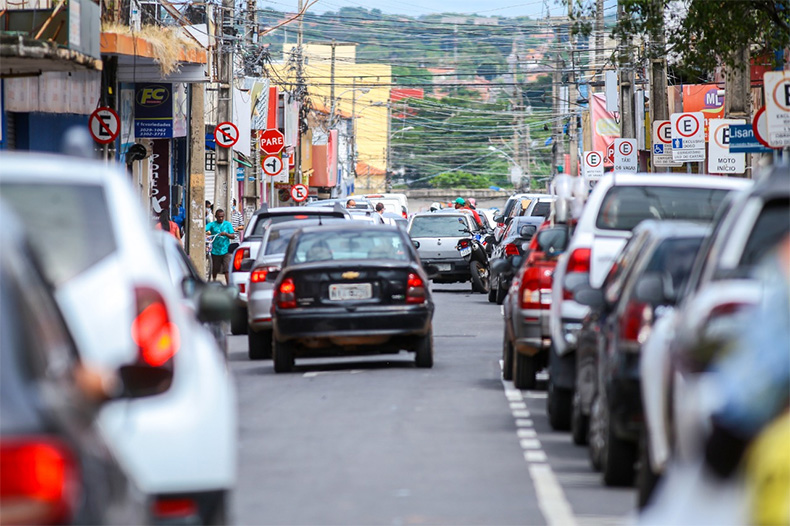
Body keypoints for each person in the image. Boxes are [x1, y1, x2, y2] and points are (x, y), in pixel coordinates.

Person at [205, 209, 235, 283]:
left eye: (222, 217)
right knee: (215, 269)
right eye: (219, 217)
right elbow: (204, 228)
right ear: (215, 216)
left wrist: (226, 234)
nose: (220, 218)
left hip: (226, 250)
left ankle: (228, 285)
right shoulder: (212, 224)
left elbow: (233, 236)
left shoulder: (228, 224)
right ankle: (214, 281)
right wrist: (206, 232)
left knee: (227, 269)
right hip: (215, 251)